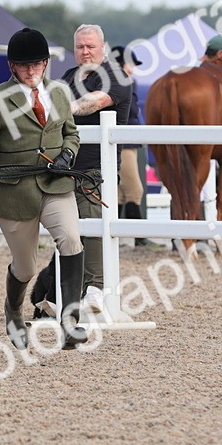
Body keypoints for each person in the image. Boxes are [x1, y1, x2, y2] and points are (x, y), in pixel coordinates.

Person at [0, 27, 87, 350]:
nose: (31, 71)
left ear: (45, 63)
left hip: (56, 184)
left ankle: (70, 321)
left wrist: (67, 155)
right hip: (16, 193)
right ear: (12, 67)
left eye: (36, 64)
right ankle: (14, 310)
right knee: (26, 266)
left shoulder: (59, 92)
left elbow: (71, 134)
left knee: (71, 240)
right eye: (23, 65)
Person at [60, 25, 131, 311]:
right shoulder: (68, 76)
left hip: (96, 168)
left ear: (103, 47)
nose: (85, 51)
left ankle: (95, 289)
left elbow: (95, 103)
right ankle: (57, 293)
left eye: (90, 46)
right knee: (65, 229)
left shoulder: (116, 75)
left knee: (92, 225)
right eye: (80, 46)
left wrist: (60, 109)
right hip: (65, 167)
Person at [112, 45, 150, 244]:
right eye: (130, 64)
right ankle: (140, 237)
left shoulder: (128, 82)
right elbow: (130, 113)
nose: (132, 69)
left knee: (119, 193)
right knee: (135, 191)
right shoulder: (119, 84)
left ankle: (115, 236)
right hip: (123, 143)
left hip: (129, 142)